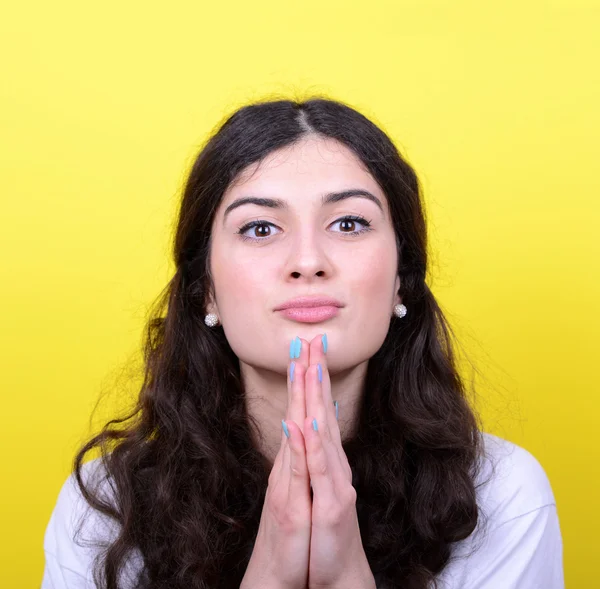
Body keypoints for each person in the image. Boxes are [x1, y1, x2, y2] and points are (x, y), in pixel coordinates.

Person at [41, 97, 564, 589]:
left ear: (401, 279)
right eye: (261, 229)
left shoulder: (502, 496)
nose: (308, 260)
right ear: (206, 292)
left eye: (349, 222)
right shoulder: (105, 508)